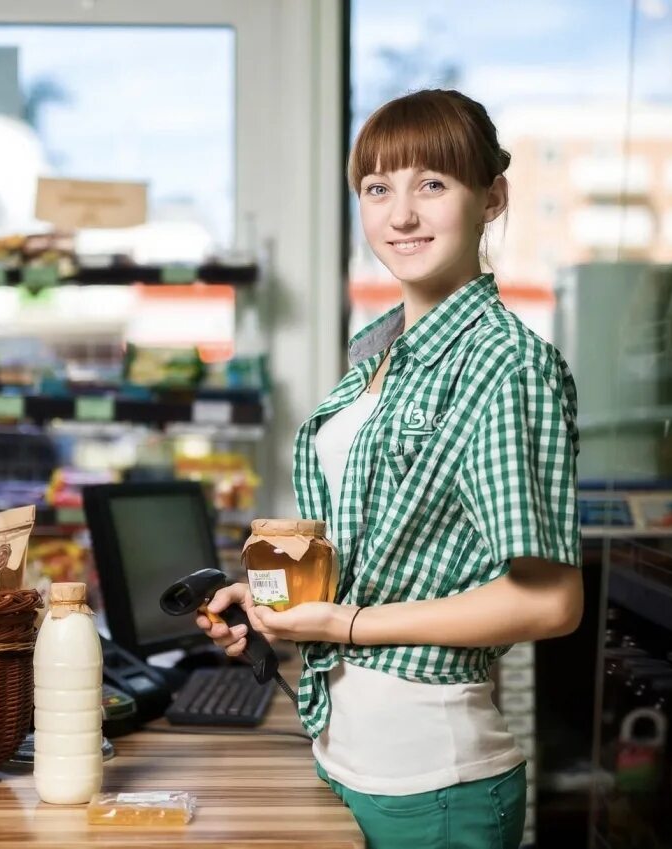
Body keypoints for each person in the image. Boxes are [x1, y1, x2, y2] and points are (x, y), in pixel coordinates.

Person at [196, 89, 583, 849]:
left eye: (431, 184)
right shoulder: (376, 364)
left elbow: (548, 602)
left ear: (491, 198)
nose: (400, 215)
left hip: (433, 779)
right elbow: (393, 558)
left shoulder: (502, 363)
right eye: (378, 189)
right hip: (348, 755)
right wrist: (280, 606)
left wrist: (341, 623)